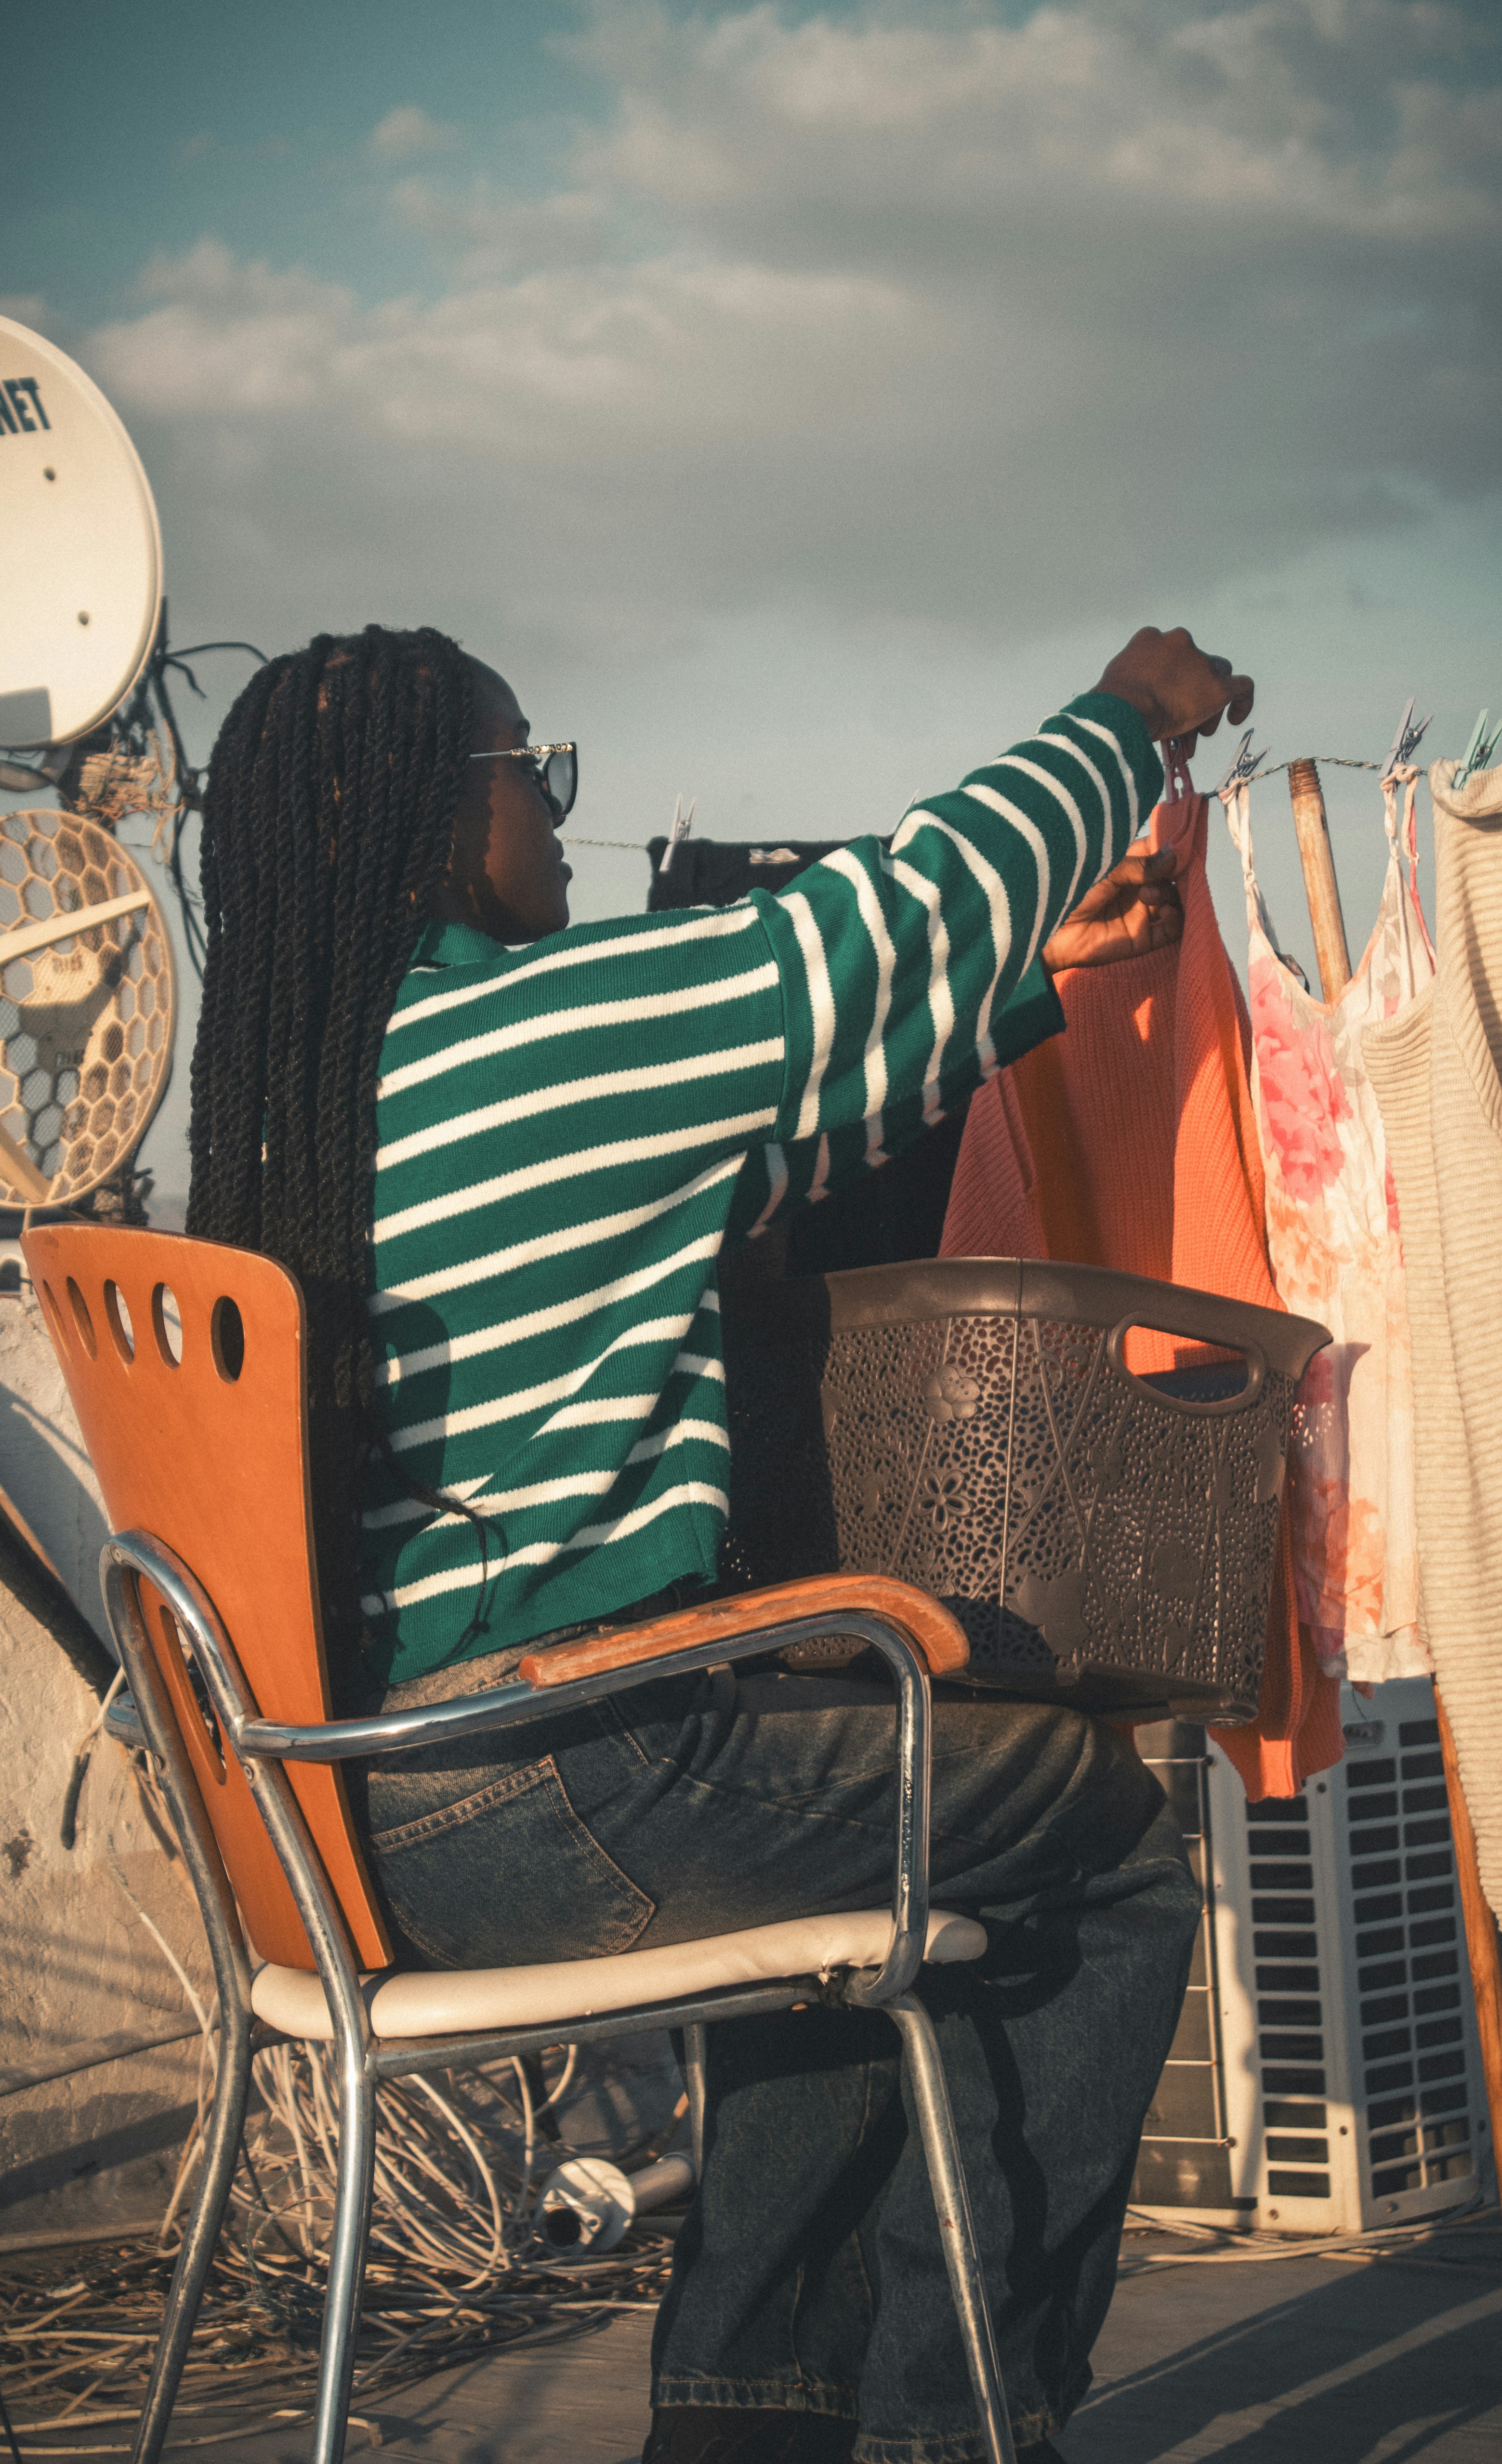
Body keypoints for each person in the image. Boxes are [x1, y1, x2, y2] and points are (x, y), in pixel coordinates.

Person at [187, 623, 1252, 2464]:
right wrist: (1121, 724)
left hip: (329, 1814)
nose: (559, 816)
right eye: (540, 771)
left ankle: (748, 2422)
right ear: (446, 818)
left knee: (842, 1863)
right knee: (1100, 1834)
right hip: (536, 1792)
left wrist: (1028, 973)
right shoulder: (549, 1028)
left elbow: (745, 1140)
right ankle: (951, 2429)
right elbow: (871, 933)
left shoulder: (319, 1090)